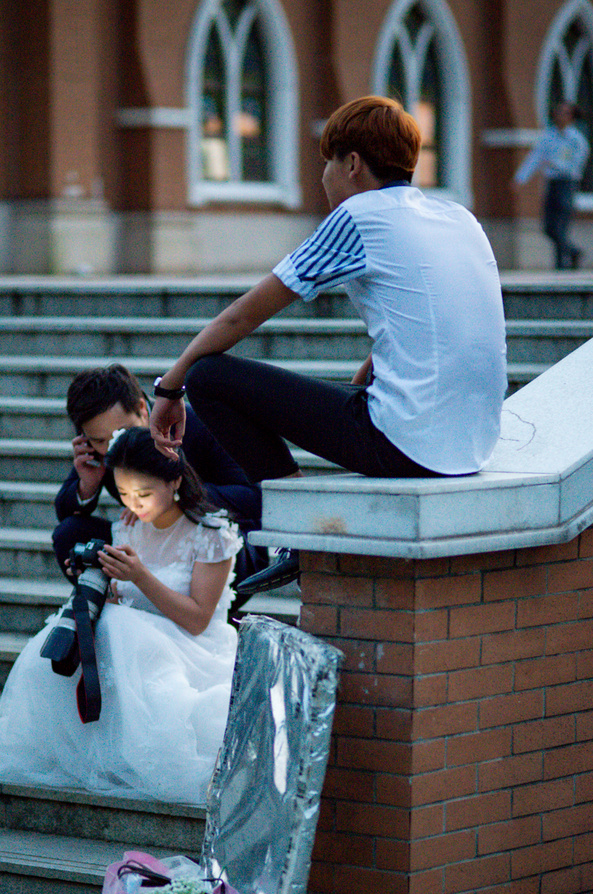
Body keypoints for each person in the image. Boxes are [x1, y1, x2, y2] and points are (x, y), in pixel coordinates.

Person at [149, 95, 508, 594]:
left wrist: (170, 386)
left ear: (353, 164)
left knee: (209, 376)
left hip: (409, 445)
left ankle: (298, 529)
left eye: (327, 163)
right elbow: (452, 314)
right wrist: (379, 360)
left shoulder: (359, 215)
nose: (324, 177)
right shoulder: (458, 217)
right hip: (474, 440)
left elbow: (243, 314)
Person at [0, 427, 240, 805]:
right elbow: (126, 605)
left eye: (143, 493)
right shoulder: (128, 524)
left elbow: (198, 620)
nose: (133, 504)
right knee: (81, 626)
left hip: (192, 649)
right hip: (139, 647)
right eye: (123, 493)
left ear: (174, 480)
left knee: (123, 631)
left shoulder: (212, 533)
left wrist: (139, 575)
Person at [53, 363, 265, 594]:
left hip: (218, 544)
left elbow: (253, 499)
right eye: (99, 441)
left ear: (142, 409)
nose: (113, 445)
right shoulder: (100, 448)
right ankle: (114, 608)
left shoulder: (200, 424)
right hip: (149, 545)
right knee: (69, 534)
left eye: (120, 434)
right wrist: (87, 485)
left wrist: (174, 498)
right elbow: (65, 513)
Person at [514, 101, 590, 270]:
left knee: (560, 224)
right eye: (558, 112)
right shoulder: (549, 136)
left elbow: (576, 165)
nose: (559, 116)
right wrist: (520, 178)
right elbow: (535, 157)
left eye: (564, 113)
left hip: (567, 184)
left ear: (571, 117)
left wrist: (554, 164)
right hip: (552, 183)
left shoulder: (576, 140)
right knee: (549, 226)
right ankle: (572, 252)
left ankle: (562, 262)